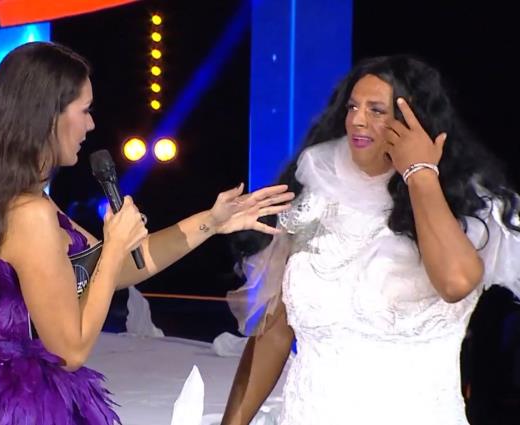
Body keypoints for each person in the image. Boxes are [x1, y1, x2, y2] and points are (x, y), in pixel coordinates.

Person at [0, 41, 292, 425]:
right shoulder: (30, 214)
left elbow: (120, 268)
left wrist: (211, 222)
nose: (90, 125)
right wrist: (114, 248)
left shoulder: (3, 196)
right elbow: (68, 350)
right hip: (12, 406)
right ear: (48, 116)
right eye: (84, 110)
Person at [221, 55, 520, 425]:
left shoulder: (466, 207)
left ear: (415, 122)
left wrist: (420, 173)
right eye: (352, 107)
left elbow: (456, 282)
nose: (357, 120)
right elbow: (274, 333)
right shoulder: (315, 195)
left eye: (376, 110)